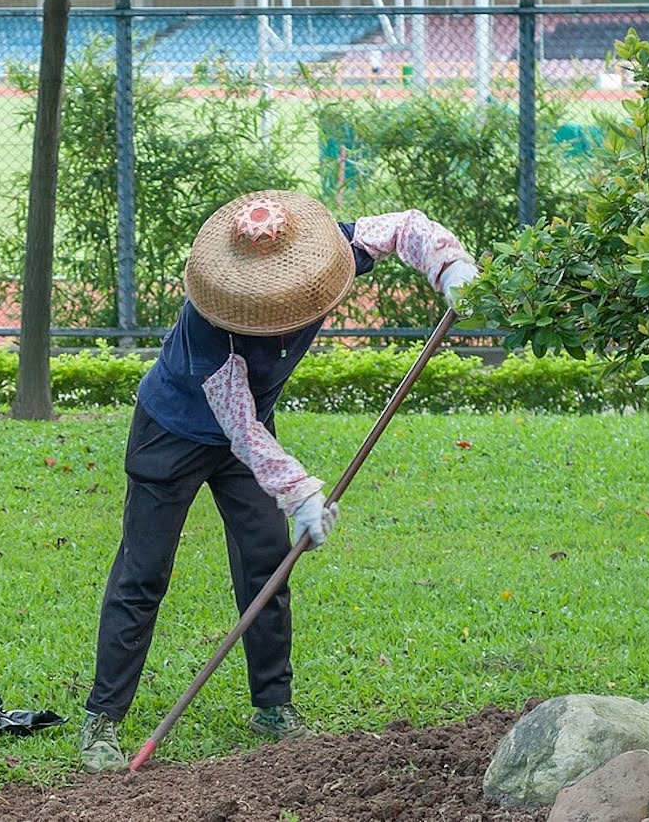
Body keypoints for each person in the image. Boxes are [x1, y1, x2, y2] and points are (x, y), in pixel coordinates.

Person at [79, 190, 479, 773]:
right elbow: (240, 428)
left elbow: (404, 227)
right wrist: (302, 494)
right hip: (172, 435)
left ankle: (272, 707)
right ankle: (103, 719)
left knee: (267, 562)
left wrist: (452, 267)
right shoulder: (213, 325)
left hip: (246, 431)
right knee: (143, 572)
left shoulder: (320, 257)